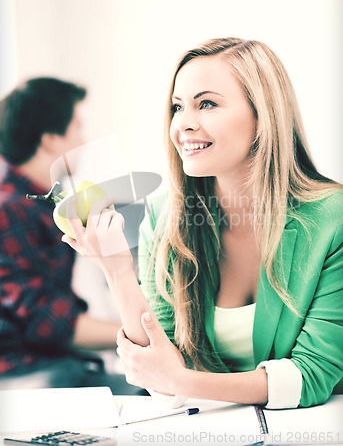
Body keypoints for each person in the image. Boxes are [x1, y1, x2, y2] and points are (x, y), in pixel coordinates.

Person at [62, 38, 343, 409]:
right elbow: (158, 381)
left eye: (207, 104)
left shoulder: (331, 218)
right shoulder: (164, 218)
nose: (184, 124)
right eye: (178, 107)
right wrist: (117, 272)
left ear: (264, 116)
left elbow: (312, 376)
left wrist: (181, 380)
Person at [0, 77, 141, 394]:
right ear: (50, 138)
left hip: (50, 365)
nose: (83, 139)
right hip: (27, 372)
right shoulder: (10, 210)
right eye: (76, 128)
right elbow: (49, 324)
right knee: (153, 393)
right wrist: (150, 330)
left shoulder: (37, 201)